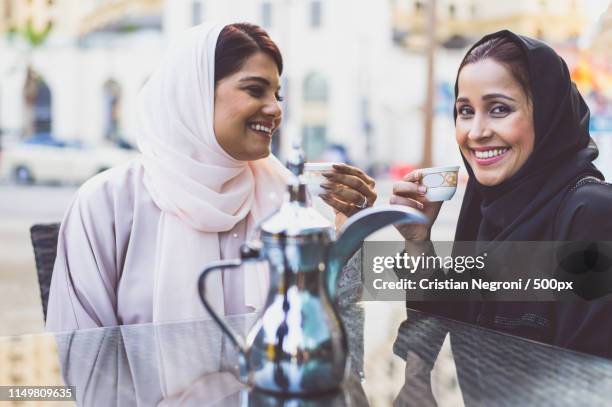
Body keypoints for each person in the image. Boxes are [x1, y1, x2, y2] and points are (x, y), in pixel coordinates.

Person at [46, 22, 377, 331]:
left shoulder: (286, 198)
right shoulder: (109, 203)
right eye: (255, 90)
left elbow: (331, 330)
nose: (276, 109)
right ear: (196, 93)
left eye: (277, 95)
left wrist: (349, 231)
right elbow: (79, 351)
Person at [391, 30, 612, 357]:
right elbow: (447, 322)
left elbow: (591, 381)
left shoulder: (591, 214)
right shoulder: (486, 206)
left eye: (498, 109)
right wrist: (417, 240)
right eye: (465, 111)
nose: (476, 132)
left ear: (547, 113)